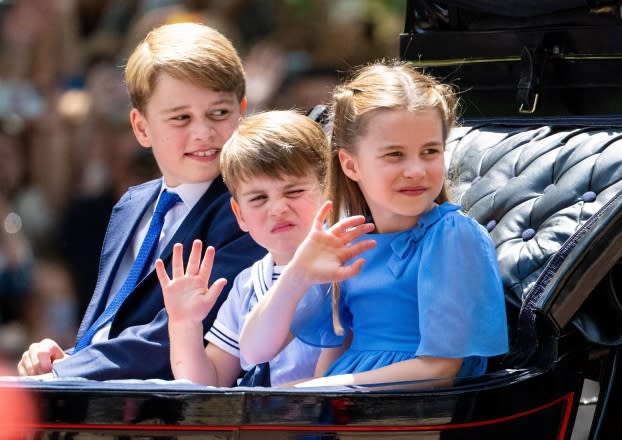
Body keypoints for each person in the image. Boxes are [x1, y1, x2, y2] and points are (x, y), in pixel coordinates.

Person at [16, 22, 265, 380]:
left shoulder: (246, 209)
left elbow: (172, 338)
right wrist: (62, 357)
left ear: (242, 110)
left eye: (219, 113)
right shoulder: (133, 205)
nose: (203, 132)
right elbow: (115, 326)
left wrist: (67, 373)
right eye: (181, 117)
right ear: (142, 127)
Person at [239, 60, 509, 387]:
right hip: (344, 401)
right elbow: (255, 352)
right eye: (394, 155)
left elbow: (439, 370)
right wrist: (298, 273)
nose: (416, 170)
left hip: (405, 408)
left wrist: (313, 389)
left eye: (430, 152)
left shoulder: (453, 237)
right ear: (351, 165)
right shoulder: (348, 240)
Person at [156, 110, 372, 387]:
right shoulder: (248, 284)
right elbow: (210, 382)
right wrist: (184, 323)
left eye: (293, 191)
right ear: (240, 214)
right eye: (258, 198)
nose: (278, 209)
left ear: (328, 188)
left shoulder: (354, 261)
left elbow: (331, 380)